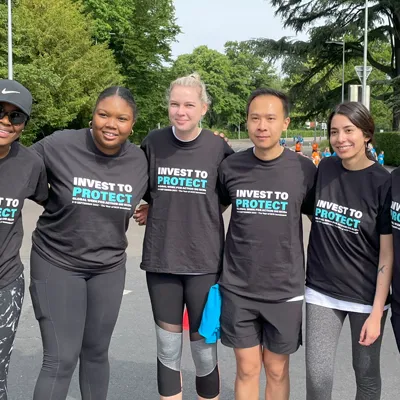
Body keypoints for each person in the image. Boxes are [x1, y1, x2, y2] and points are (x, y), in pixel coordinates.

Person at [29, 86, 148, 400]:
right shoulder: (60, 144)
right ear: (93, 115)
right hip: (56, 261)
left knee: (96, 353)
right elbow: (17, 167)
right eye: (103, 114)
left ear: (132, 125)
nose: (111, 124)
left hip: (107, 268)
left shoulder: (140, 160)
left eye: (121, 119)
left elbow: (182, 190)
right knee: (60, 358)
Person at [137, 73, 233, 400]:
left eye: (189, 105)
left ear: (203, 108)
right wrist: (155, 205)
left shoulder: (218, 148)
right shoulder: (153, 142)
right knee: (167, 349)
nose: (181, 111)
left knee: (204, 350)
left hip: (204, 263)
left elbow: (232, 193)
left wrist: (199, 210)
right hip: (162, 260)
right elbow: (140, 184)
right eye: (175, 104)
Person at [217, 88, 316, 400]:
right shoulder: (231, 167)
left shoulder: (303, 170)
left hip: (284, 288)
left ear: (285, 123)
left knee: (276, 368)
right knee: (247, 368)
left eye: (270, 118)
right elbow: (206, 209)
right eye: (255, 117)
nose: (262, 125)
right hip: (238, 286)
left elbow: (323, 220)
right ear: (246, 122)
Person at [304, 102, 393, 400]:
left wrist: (377, 310)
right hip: (321, 290)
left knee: (366, 376)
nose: (340, 138)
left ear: (366, 134)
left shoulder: (384, 182)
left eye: (349, 130)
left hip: (366, 298)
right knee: (318, 379)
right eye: (334, 132)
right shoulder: (325, 168)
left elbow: (387, 253)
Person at [0, 79, 48, 399]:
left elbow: (59, 206)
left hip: (5, 283)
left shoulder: (30, 164)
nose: (6, 121)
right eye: (0, 112)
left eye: (16, 116)